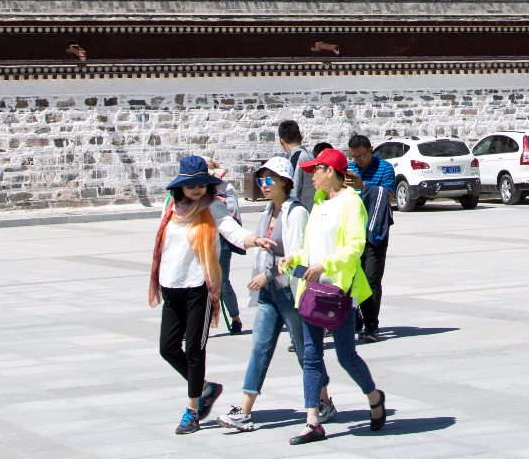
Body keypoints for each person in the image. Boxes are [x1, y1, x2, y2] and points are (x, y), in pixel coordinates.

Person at [148, 155, 270, 435]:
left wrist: (255, 241)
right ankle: (205, 388)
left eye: (202, 184)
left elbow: (233, 232)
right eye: (192, 185)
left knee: (194, 350)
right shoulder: (170, 206)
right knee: (167, 348)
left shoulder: (213, 206)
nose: (197, 190)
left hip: (198, 288)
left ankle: (192, 412)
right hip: (171, 285)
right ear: (180, 185)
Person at [219, 157, 334, 433]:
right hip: (270, 295)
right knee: (259, 347)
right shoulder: (268, 211)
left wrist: (267, 275)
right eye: (261, 180)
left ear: (284, 181)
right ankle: (244, 411)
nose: (263, 185)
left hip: (291, 294)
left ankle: (324, 402)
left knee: (305, 352)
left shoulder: (296, 213)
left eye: (269, 179)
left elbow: (296, 259)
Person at [284, 148, 388, 444]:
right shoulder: (318, 204)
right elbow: (311, 248)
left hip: (339, 292)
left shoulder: (351, 203)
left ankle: (373, 396)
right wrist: (294, 258)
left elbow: (355, 246)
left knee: (345, 355)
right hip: (312, 291)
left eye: (314, 171)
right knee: (311, 355)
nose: (310, 177)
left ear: (330, 171)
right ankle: (313, 420)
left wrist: (324, 265)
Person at [345, 135, 397, 341]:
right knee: (349, 280)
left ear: (371, 150)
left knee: (371, 279)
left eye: (362, 155)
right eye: (354, 156)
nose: (358, 160)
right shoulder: (349, 169)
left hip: (375, 232)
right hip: (352, 232)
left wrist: (363, 186)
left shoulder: (385, 168)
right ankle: (354, 316)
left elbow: (388, 196)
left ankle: (371, 326)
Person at [211, 160, 246, 334]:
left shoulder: (227, 188)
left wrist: (217, 201)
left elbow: (232, 212)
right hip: (204, 242)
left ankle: (235, 318)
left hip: (222, 242)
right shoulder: (196, 190)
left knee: (223, 282)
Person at [278, 119, 316, 211]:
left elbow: (292, 190)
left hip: (299, 214)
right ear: (301, 137)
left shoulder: (296, 158)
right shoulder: (310, 157)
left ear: (281, 141)